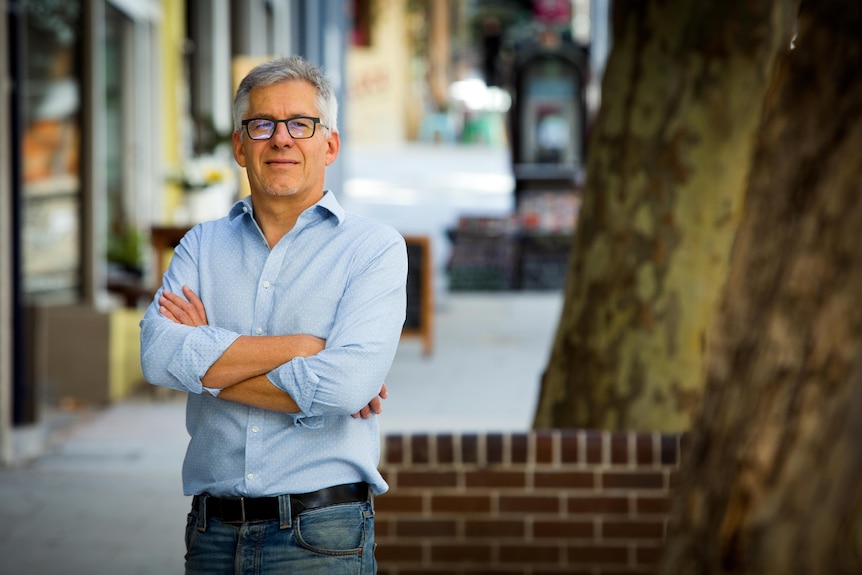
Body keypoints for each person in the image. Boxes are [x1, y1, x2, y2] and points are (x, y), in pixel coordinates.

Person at [140, 55, 407, 575]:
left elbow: (346, 388)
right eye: (262, 124)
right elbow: (157, 356)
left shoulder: (373, 250)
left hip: (322, 536)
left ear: (328, 144)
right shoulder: (200, 245)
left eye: (300, 124)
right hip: (212, 534)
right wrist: (305, 348)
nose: (280, 138)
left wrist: (205, 361)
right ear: (241, 146)